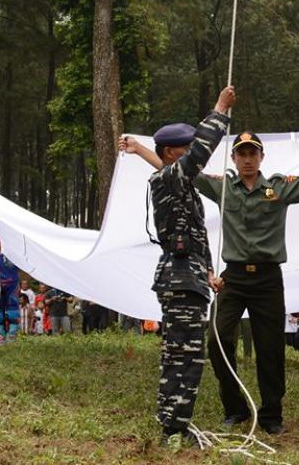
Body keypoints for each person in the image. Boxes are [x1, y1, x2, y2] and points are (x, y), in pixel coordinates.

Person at [196, 124, 299, 435]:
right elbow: (184, 171)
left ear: (261, 157)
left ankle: (271, 414)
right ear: (233, 159)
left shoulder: (278, 187)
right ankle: (236, 408)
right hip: (233, 278)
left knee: (270, 348)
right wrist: (140, 152)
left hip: (268, 279)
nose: (247, 159)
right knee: (217, 340)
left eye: (252, 153)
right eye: (241, 154)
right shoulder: (224, 187)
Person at [119, 84, 234, 445]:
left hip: (190, 279)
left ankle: (174, 425)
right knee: (184, 358)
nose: (191, 158)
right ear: (173, 153)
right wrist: (219, 109)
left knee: (183, 355)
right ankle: (173, 429)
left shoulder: (176, 183)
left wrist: (210, 272)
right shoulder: (168, 179)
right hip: (180, 282)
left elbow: (195, 238)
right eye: (183, 151)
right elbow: (200, 152)